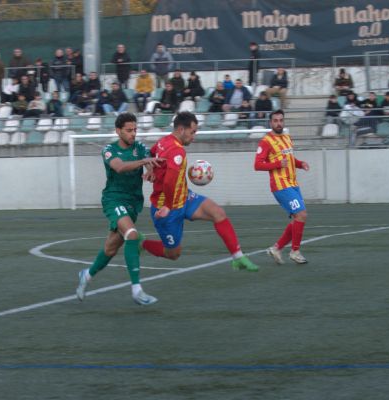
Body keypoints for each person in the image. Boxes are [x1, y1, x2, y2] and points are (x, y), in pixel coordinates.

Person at [141, 111, 260, 272]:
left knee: (218, 213)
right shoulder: (177, 151)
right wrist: (168, 205)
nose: (194, 136)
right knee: (173, 254)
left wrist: (150, 170)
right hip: (166, 208)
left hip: (185, 197)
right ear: (181, 129)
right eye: (193, 132)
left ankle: (238, 257)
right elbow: (169, 181)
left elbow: (150, 154)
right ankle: (140, 244)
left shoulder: (163, 141)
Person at [76, 113, 163, 305]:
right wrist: (143, 163)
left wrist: (151, 170)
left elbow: (150, 160)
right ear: (118, 131)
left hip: (132, 202)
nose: (133, 134)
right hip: (113, 199)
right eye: (129, 130)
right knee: (131, 234)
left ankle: (87, 275)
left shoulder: (139, 147)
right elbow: (120, 167)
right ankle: (137, 290)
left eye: (135, 130)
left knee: (111, 248)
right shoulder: (109, 150)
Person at [256, 110, 310, 264]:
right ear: (270, 123)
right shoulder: (266, 141)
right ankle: (295, 251)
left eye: (281, 120)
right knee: (302, 214)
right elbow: (257, 164)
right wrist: (277, 164)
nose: (278, 123)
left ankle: (276, 248)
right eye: (275, 121)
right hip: (280, 185)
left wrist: (300, 164)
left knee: (297, 218)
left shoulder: (286, 137)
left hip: (293, 184)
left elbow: (290, 158)